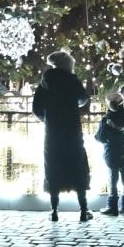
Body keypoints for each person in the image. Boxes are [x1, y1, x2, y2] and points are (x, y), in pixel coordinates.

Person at [32, 50, 92, 222]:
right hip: (72, 132)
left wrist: (48, 120)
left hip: (53, 134)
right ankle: (83, 210)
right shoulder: (72, 80)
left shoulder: (45, 82)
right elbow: (82, 99)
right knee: (78, 167)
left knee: (53, 168)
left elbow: (36, 109)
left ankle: (54, 211)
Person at [95, 90, 124, 216]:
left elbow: (100, 138)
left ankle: (112, 206)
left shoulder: (107, 120)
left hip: (112, 154)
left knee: (113, 179)